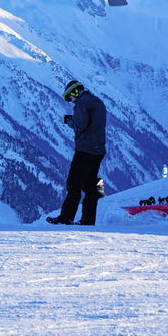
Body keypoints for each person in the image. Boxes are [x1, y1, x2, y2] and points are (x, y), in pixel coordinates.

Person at [47, 79, 106, 226]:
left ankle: (65, 218)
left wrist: (68, 120)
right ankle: (88, 219)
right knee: (90, 185)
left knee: (74, 184)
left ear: (74, 91)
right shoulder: (97, 101)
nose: (71, 101)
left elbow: (80, 126)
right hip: (98, 150)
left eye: (70, 97)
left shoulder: (82, 103)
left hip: (84, 150)